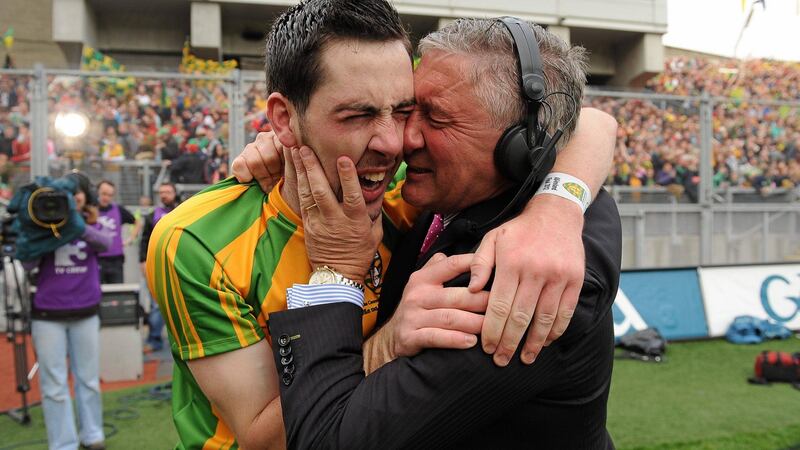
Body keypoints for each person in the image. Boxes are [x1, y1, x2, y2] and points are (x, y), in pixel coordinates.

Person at [147, 1, 615, 448]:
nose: (397, 143)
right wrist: (386, 341)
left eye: (406, 110)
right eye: (359, 114)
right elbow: (264, 440)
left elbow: (585, 122)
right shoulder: (198, 240)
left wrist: (556, 209)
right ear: (284, 120)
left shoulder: (487, 252)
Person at [25, 173, 111, 450]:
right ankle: (63, 444)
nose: (74, 196)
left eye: (78, 192)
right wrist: (43, 233)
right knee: (54, 385)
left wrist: (77, 225)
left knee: (88, 379)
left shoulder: (90, 225)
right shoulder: (45, 224)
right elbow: (27, 265)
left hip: (85, 312)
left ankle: (93, 434)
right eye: (68, 193)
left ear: (86, 195)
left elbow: (106, 243)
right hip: (48, 315)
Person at [138, 182, 179, 352]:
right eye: (161, 192)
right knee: (157, 304)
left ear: (175, 193)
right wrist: (142, 261)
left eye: (168, 192)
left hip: (180, 265)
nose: (164, 195)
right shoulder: (153, 215)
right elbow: (145, 240)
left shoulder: (186, 209)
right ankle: (154, 340)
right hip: (157, 266)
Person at [95, 180, 140, 284]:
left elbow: (137, 222)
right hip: (96, 258)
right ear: (97, 192)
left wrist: (130, 239)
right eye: (104, 194)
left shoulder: (118, 209)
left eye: (110, 195)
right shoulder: (91, 209)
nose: (106, 198)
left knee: (116, 293)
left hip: (116, 259)